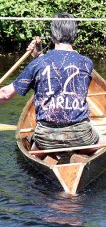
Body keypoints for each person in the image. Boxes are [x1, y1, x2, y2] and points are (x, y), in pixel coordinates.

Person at [0, 12, 99, 149]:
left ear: (52, 36)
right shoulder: (86, 63)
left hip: (45, 138)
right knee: (105, 140)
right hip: (80, 136)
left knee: (33, 146)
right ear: (74, 35)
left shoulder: (38, 64)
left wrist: (39, 57)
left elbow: (5, 95)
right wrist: (39, 56)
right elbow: (59, 69)